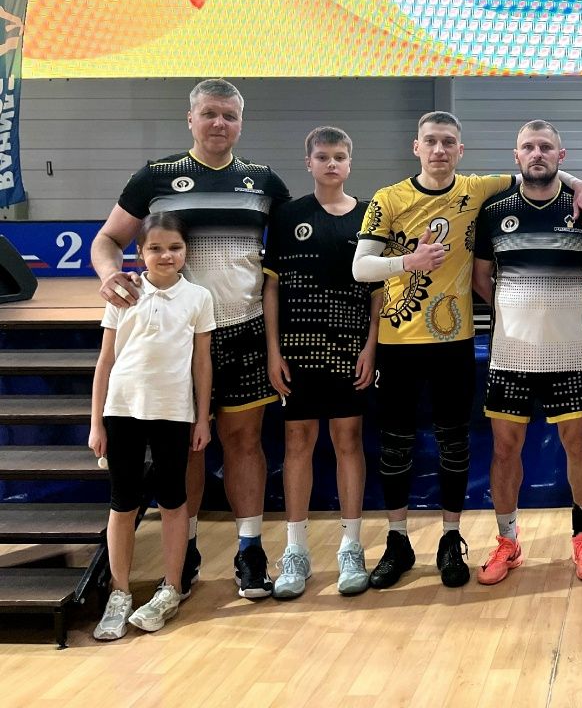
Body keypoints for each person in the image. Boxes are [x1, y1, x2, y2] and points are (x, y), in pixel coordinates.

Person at [352, 111, 582, 589]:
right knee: (400, 447)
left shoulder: (479, 190)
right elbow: (362, 268)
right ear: (416, 146)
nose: (439, 149)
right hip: (405, 343)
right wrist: (409, 261)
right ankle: (405, 542)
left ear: (460, 150)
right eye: (430, 141)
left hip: (460, 344)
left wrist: (579, 183)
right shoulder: (391, 198)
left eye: (448, 142)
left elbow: (538, 173)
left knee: (459, 446)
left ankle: (457, 539)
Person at [91, 78, 290, 599]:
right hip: (178, 340)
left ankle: (250, 551)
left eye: (229, 115)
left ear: (241, 123)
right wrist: (109, 274)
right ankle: (189, 550)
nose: (219, 123)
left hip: (244, 331)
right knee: (190, 450)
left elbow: (288, 257)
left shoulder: (264, 182)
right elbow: (107, 239)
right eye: (210, 113)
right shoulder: (154, 177)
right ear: (191, 119)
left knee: (244, 442)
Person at [470, 120, 582, 585]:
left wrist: (571, 310)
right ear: (516, 157)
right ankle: (508, 542)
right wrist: (514, 311)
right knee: (504, 449)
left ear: (561, 156)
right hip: (510, 355)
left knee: (578, 445)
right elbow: (480, 278)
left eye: (546, 147)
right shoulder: (495, 210)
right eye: (529, 147)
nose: (537, 154)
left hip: (568, 353)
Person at [263, 127, 381, 598]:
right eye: (323, 156)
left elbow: (378, 291)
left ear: (350, 163)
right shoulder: (288, 215)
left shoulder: (370, 215)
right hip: (297, 351)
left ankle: (351, 547)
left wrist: (371, 346)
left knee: (348, 440)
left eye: (339, 156)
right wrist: (273, 351)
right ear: (308, 162)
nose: (331, 164)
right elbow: (271, 287)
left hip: (350, 349)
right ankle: (296, 550)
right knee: (298, 442)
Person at [88, 213, 214, 639]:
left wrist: (201, 417)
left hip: (174, 413)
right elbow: (105, 361)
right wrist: (96, 423)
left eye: (174, 247)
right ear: (139, 252)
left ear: (185, 252)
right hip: (122, 410)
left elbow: (201, 363)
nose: (166, 255)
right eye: (155, 248)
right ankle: (119, 592)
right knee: (123, 503)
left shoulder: (198, 297)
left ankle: (171, 589)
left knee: (173, 501)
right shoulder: (123, 293)